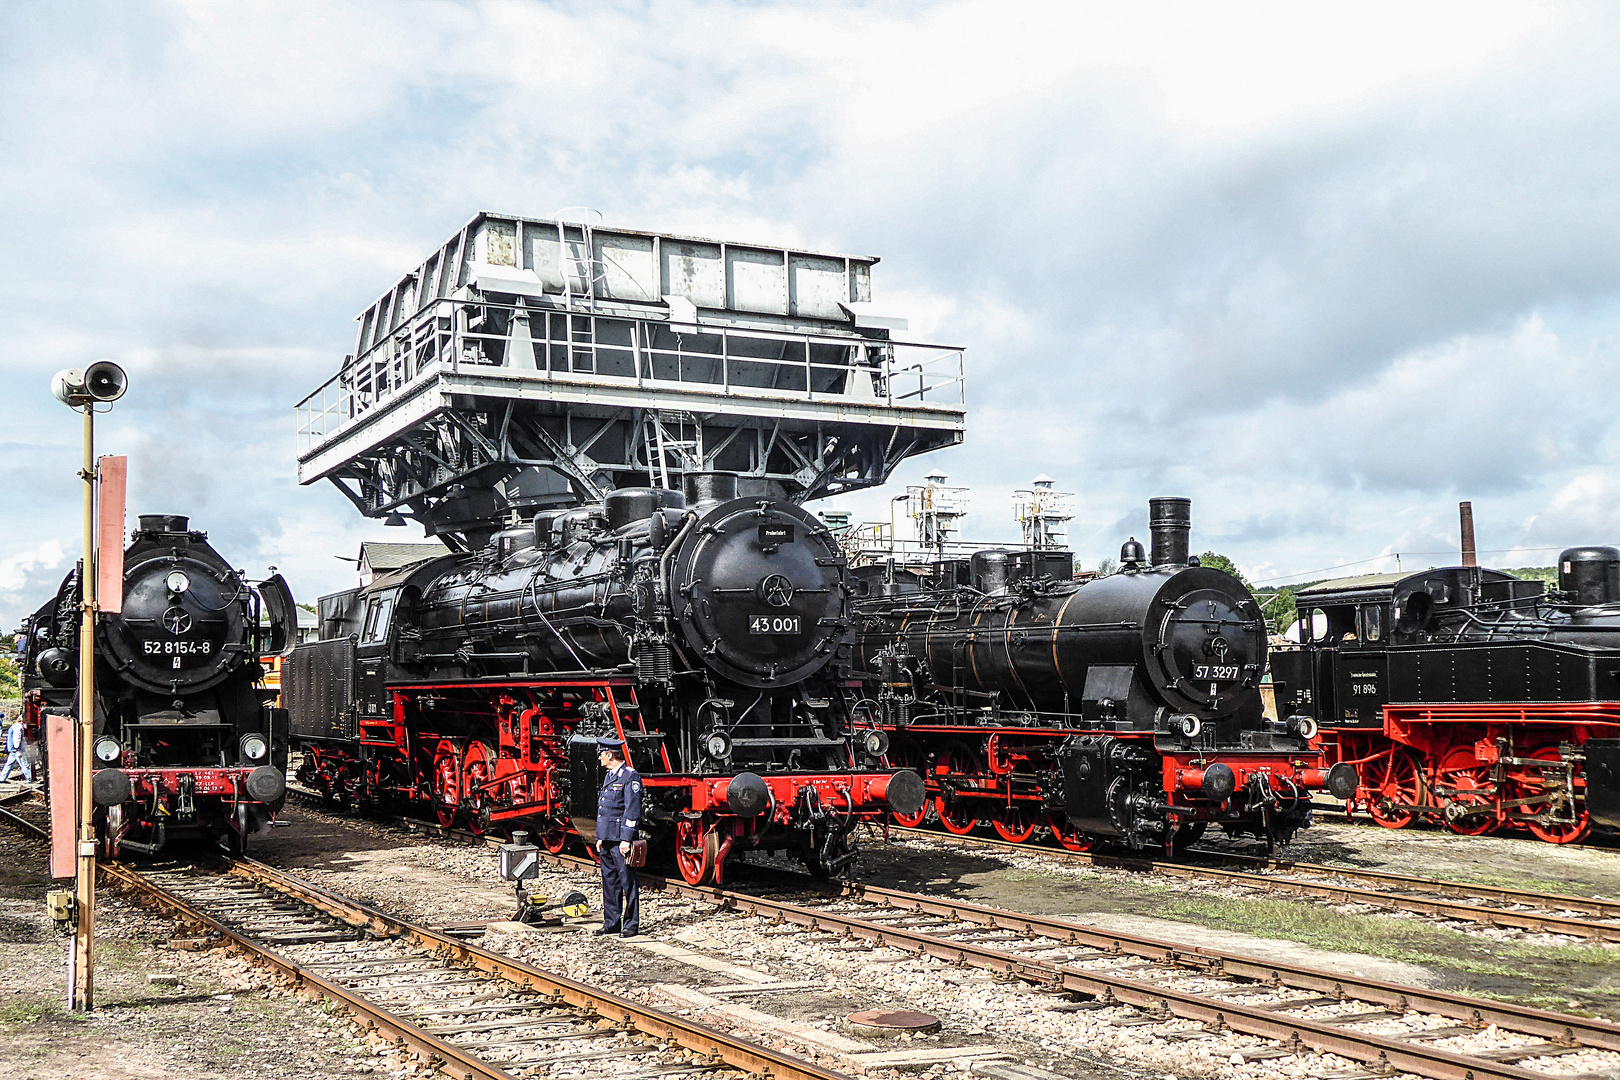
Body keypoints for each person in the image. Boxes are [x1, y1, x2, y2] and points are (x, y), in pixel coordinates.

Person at [594, 737, 641, 938]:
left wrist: (626, 839)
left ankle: (631, 924)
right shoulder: (610, 775)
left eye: (601, 754)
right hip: (607, 838)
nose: (599, 758)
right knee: (609, 882)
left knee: (627, 882)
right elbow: (605, 810)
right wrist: (600, 837)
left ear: (610, 755)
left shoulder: (630, 776)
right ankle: (611, 922)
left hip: (621, 839)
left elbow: (632, 809)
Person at [0, 715, 32, 784]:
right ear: (21, 722)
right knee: (24, 764)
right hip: (17, 750)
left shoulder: (13, 727)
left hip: (12, 749)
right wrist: (18, 749)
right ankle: (29, 778)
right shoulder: (18, 728)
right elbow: (17, 739)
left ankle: (2, 778)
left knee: (8, 764)